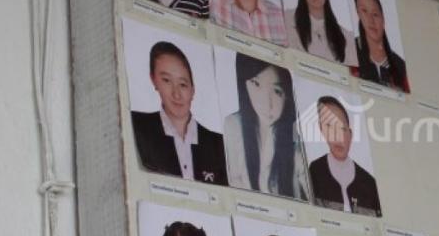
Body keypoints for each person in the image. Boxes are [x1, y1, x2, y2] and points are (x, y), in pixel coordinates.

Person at [132, 41, 228, 185]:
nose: (176, 94)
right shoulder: (136, 126)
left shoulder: (219, 144)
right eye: (166, 81)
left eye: (183, 84)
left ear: (192, 90)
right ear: (154, 80)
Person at [223, 53, 309, 200]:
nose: (266, 104)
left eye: (277, 91)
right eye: (256, 84)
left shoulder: (296, 143)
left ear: (288, 95)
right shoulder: (233, 126)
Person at [307, 96, 382, 216]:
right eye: (329, 127)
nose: (337, 136)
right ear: (322, 130)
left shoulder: (369, 182)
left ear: (350, 134)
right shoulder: (315, 171)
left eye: (342, 128)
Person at [351, 0, 410, 92]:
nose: (371, 20)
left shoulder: (400, 66)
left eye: (375, 14)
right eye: (364, 11)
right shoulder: (349, 51)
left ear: (383, 18)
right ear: (358, 13)